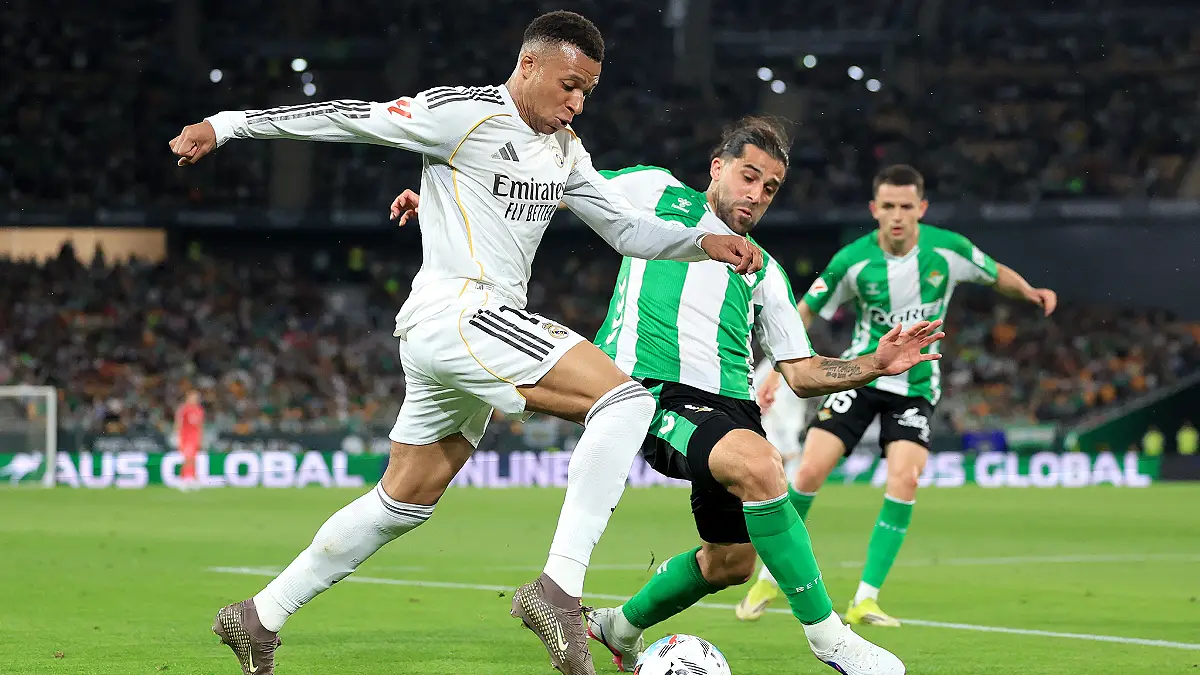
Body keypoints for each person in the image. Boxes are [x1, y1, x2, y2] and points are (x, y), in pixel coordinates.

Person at [169, 11, 761, 675]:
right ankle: (558, 590)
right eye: (569, 85)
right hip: (460, 311)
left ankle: (259, 615)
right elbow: (349, 117)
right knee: (625, 400)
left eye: (588, 91)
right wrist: (226, 124)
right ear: (528, 65)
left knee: (402, 502)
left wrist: (702, 241)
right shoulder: (464, 114)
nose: (576, 102)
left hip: (465, 331)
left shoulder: (564, 150)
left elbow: (624, 228)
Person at [397, 118, 935, 674]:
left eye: (771, 188)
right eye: (749, 176)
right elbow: (546, 183)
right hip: (653, 392)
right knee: (760, 465)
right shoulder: (653, 191)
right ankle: (831, 640)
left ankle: (618, 626)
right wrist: (449, 203)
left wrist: (874, 364)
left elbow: (800, 372)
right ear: (718, 168)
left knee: (730, 563)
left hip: (733, 410)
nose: (756, 194)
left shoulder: (765, 271)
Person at [736, 164, 1057, 628]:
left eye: (907, 206)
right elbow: (804, 310)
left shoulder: (948, 250)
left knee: (905, 480)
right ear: (874, 209)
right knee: (808, 472)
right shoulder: (853, 260)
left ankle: (865, 600)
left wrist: (1029, 291)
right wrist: (774, 369)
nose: (898, 215)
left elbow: (994, 273)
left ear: (921, 208)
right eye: (888, 206)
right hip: (860, 377)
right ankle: (771, 579)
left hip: (916, 387)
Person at [173, 391, 204, 491]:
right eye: (193, 398)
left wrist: (200, 438)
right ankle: (184, 479)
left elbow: (200, 426)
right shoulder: (184, 409)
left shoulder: (199, 410)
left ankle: (193, 479)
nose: (195, 400)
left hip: (195, 438)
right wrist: (177, 436)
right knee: (188, 458)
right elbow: (178, 423)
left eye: (196, 398)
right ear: (188, 398)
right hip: (185, 438)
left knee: (193, 459)